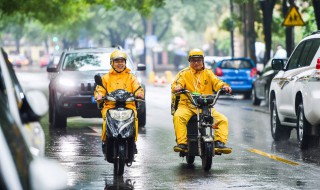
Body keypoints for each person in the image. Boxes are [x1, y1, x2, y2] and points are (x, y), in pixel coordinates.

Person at [171, 48, 232, 154]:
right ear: (189, 61)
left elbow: (217, 82)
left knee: (223, 120)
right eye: (193, 60)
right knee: (178, 117)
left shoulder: (208, 73)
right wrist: (178, 87)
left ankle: (219, 143)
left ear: (203, 60)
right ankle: (182, 143)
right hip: (187, 106)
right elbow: (178, 83)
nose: (196, 63)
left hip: (205, 107)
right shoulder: (184, 74)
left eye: (198, 60)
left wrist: (224, 86)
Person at [94, 50, 144, 154]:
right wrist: (99, 95)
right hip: (110, 106)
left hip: (129, 106)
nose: (120, 64)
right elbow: (100, 89)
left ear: (125, 63)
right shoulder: (105, 78)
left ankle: (132, 142)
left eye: (122, 61)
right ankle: (105, 141)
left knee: (134, 117)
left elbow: (137, 88)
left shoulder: (131, 77)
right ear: (112, 63)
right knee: (105, 120)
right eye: (117, 61)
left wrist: (139, 93)